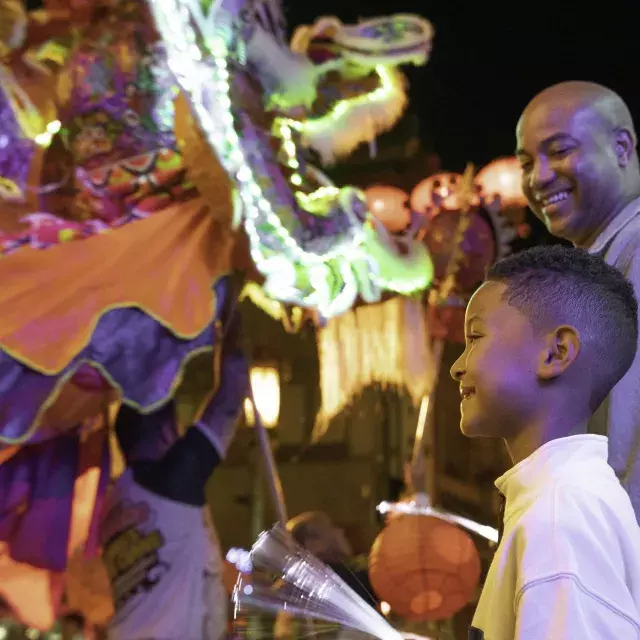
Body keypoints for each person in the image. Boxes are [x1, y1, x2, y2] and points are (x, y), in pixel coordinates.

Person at [450, 245, 640, 639]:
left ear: (556, 353)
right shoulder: (563, 500)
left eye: (475, 337)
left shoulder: (558, 518)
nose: (457, 366)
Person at [516, 81, 640, 519]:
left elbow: (627, 441)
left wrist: (603, 554)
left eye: (560, 151)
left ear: (622, 147)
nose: (540, 177)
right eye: (527, 162)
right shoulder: (598, 268)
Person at [100, 309, 249, 640]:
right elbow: (228, 401)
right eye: (178, 425)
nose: (183, 434)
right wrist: (233, 318)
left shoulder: (119, 499)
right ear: (165, 432)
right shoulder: (167, 486)